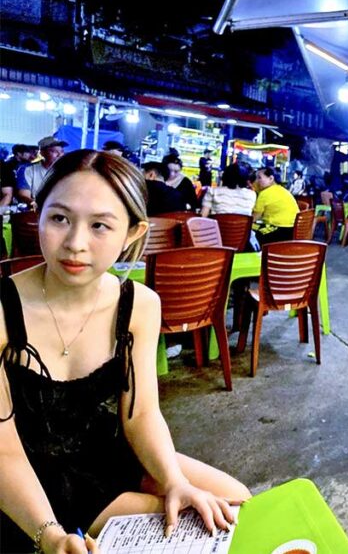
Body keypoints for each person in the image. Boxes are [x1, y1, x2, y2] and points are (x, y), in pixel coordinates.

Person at [0, 150, 250, 553]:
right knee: (186, 535)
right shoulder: (2, 310)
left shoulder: (139, 305)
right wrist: (49, 535)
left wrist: (174, 482)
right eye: (59, 218)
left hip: (104, 451)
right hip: (25, 473)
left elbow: (142, 414)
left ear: (133, 232)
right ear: (38, 214)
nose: (75, 244)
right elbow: (4, 450)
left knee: (236, 503)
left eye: (100, 225)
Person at [251, 167, 299, 244]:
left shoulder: (265, 193)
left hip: (279, 230)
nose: (257, 181)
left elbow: (255, 217)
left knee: (250, 230)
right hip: (293, 229)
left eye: (259, 178)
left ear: (271, 178)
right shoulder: (282, 190)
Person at [17, 137, 66, 205]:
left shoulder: (67, 170)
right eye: (54, 151)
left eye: (62, 151)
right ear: (42, 153)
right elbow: (24, 195)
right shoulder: (28, 170)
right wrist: (37, 205)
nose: (60, 155)